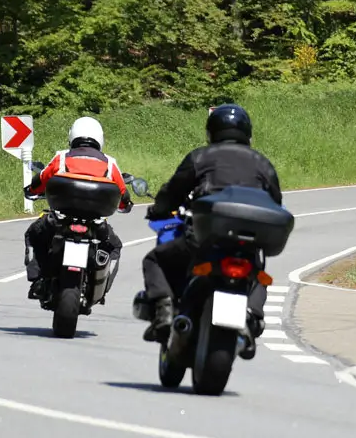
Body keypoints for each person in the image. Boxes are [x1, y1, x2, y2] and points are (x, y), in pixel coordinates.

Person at [141, 103, 282, 358]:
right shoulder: (263, 163)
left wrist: (159, 209)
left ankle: (163, 309)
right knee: (258, 275)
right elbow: (276, 201)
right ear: (247, 132)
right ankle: (251, 317)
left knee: (155, 259)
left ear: (212, 131)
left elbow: (173, 191)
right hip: (247, 244)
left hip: (204, 242)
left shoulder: (201, 156)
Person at [23, 116, 133, 307]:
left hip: (61, 220)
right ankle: (102, 287)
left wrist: (31, 191)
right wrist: (125, 205)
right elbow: (122, 194)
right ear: (100, 138)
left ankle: (37, 278)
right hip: (96, 224)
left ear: (72, 136)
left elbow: (41, 179)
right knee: (114, 246)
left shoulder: (62, 157)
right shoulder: (110, 163)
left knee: (34, 233)